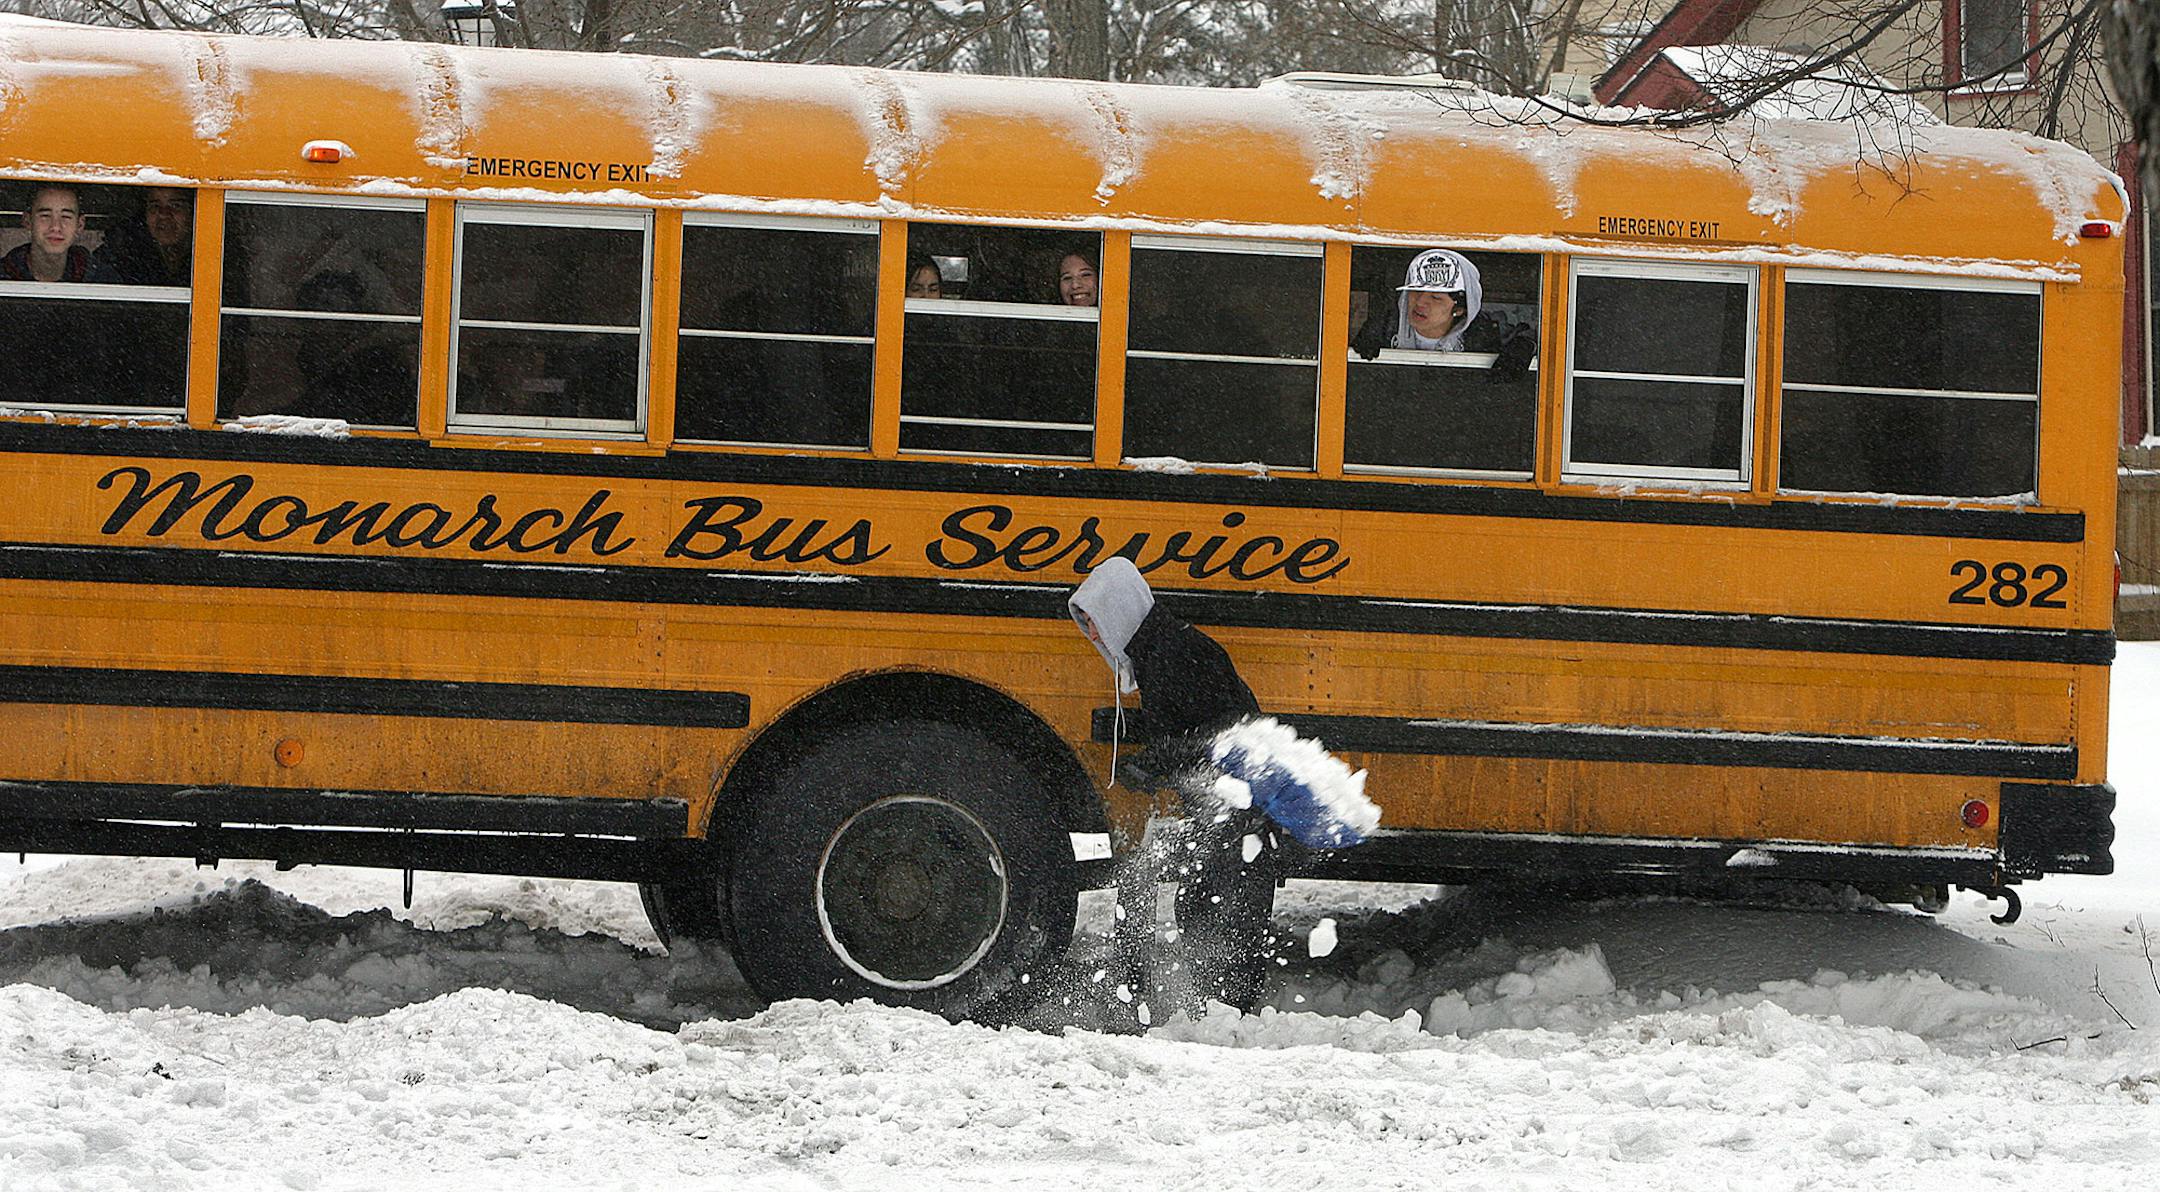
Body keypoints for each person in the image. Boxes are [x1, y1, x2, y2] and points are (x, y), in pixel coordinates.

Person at [1068, 557, 1297, 1013]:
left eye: (1095, 623)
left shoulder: (1179, 654)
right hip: (1225, 809)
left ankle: (1225, 1016)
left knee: (1220, 912)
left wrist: (1156, 762)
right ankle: (1202, 1009)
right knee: (1195, 905)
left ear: (1120, 610)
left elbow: (1226, 733)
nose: (1093, 637)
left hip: (1242, 810)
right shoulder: (1159, 655)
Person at [1353, 247, 1535, 377]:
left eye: (1436, 297)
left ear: (1459, 309)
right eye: (1415, 291)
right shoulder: (1384, 327)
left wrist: (1523, 346)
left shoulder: (1486, 332)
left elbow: (1537, 337)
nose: (1420, 302)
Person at [90, 186, 192, 287]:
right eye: (155, 206)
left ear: (193, 213)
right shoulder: (120, 255)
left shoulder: (205, 258)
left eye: (176, 205)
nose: (163, 214)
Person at [2, 184, 93, 282]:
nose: (55, 227)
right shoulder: (4, 276)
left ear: (79, 225)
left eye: (66, 217)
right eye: (45, 216)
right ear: (28, 221)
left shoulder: (101, 279)